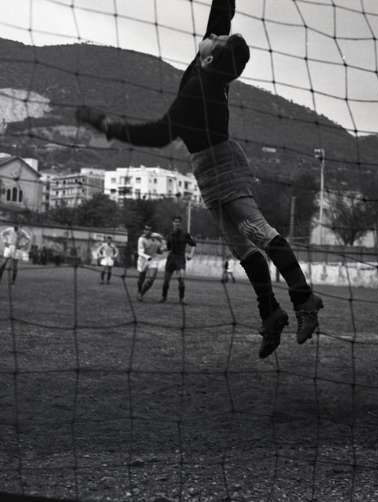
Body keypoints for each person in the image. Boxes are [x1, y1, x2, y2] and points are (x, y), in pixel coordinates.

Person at [75, 0, 322, 359]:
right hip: (208, 167)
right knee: (242, 248)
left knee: (257, 230)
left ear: (208, 59)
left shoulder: (198, 91)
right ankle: (270, 313)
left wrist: (108, 126)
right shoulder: (211, 64)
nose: (212, 37)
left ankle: (303, 298)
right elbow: (221, 15)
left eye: (215, 41)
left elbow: (159, 134)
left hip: (222, 165)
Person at [160, 216, 196, 304]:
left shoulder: (185, 234)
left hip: (180, 259)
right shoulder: (169, 235)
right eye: (175, 221)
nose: (177, 223)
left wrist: (191, 255)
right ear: (172, 223)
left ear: (180, 223)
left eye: (178, 222)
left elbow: (194, 244)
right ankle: (164, 297)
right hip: (171, 259)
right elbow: (168, 248)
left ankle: (181, 299)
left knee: (181, 279)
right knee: (166, 281)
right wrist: (162, 249)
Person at [136, 226, 165, 301]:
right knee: (141, 279)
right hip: (143, 259)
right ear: (143, 230)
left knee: (151, 279)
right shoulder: (141, 239)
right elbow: (140, 252)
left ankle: (141, 294)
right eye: (145, 229)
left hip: (153, 259)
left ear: (151, 231)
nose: (147, 231)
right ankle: (139, 290)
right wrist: (147, 257)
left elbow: (160, 249)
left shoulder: (156, 237)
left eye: (149, 230)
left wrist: (162, 249)